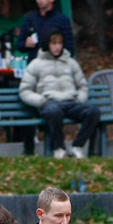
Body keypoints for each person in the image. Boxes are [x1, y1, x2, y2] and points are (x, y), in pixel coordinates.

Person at [19, 30, 99, 159]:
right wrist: (41, 101)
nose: (57, 47)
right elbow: (25, 90)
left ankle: (77, 147)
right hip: (50, 103)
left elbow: (82, 86)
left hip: (71, 101)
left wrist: (79, 99)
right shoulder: (36, 64)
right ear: (47, 44)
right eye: (53, 43)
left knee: (93, 111)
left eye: (60, 43)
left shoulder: (71, 63)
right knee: (54, 112)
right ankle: (59, 148)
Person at [19, 0, 74, 64]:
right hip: (34, 66)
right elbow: (19, 45)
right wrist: (25, 44)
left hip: (55, 66)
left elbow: (69, 49)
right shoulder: (30, 18)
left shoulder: (62, 20)